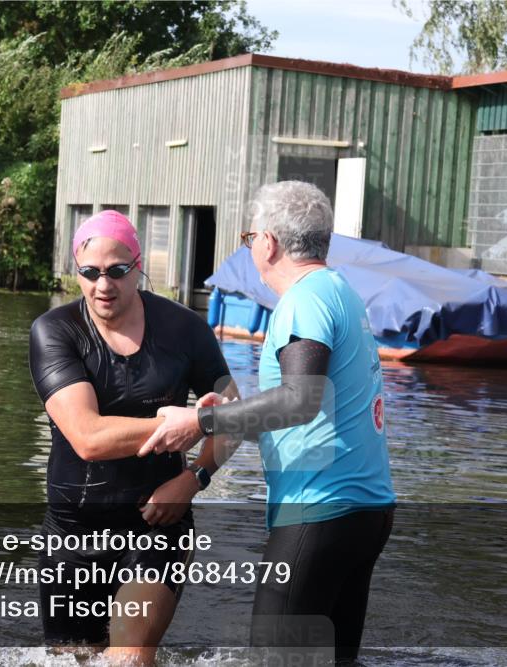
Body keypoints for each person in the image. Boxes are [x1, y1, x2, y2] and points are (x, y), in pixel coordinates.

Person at [139, 181, 396, 663]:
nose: (250, 245)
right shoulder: (339, 290)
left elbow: (301, 399)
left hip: (320, 511)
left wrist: (201, 420)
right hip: (368, 509)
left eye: (248, 236)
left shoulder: (304, 300)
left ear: (269, 243)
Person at [28, 210, 234, 665]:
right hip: (74, 529)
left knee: (129, 657)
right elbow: (87, 437)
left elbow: (232, 414)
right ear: (76, 272)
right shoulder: (56, 331)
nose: (104, 285)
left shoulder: (185, 329)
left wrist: (195, 477)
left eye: (118, 271)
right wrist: (187, 424)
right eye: (90, 273)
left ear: (139, 267)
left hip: (156, 521)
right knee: (72, 660)